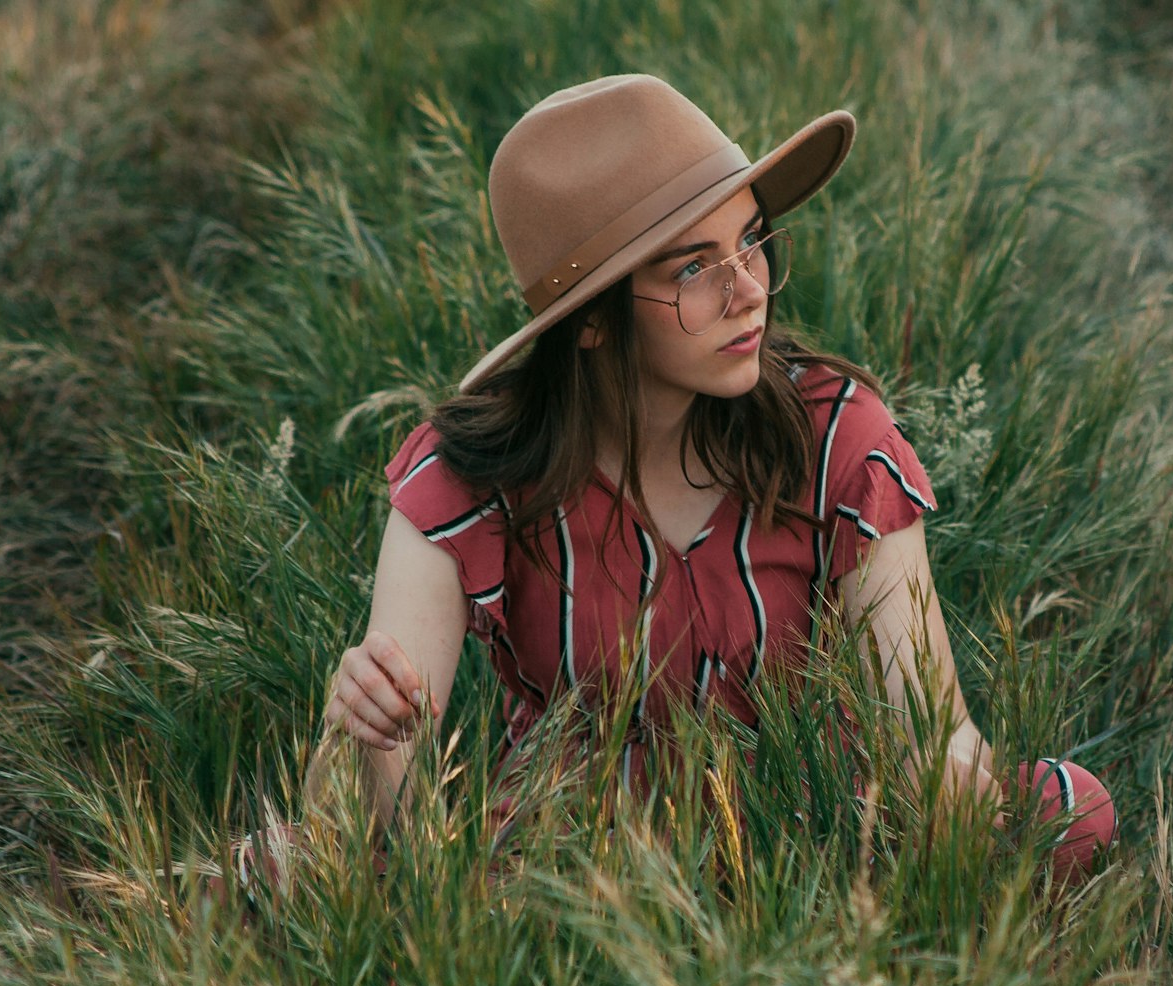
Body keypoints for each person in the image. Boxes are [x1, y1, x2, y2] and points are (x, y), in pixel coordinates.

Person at [307, 73, 999, 845]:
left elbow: (927, 733)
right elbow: (370, 819)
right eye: (693, 269)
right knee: (279, 876)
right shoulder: (468, 474)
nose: (750, 292)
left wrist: (953, 780)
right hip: (572, 873)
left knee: (1066, 814)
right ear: (593, 322)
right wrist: (363, 730)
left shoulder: (836, 437)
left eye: (751, 242)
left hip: (814, 846)